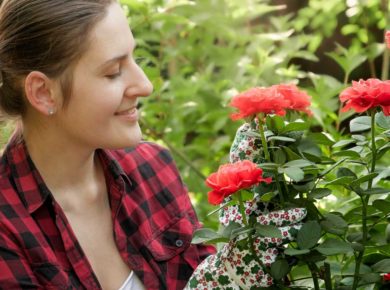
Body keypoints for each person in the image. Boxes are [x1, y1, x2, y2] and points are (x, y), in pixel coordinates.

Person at [0, 0, 215, 289]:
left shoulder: (153, 167)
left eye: (134, 59)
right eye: (113, 71)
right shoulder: (7, 227)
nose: (145, 86)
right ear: (43, 93)